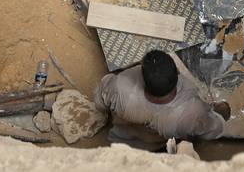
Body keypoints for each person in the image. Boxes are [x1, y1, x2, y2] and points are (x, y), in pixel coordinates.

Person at [94, 50, 230, 151]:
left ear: (143, 78)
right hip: (156, 146)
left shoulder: (119, 86)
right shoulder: (193, 113)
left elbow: (100, 102)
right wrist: (221, 111)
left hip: (122, 140)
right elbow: (213, 131)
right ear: (177, 73)